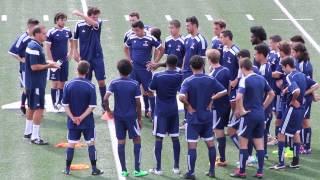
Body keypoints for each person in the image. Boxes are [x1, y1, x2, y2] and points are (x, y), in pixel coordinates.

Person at [179, 55, 227, 179]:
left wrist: (188, 106)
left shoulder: (188, 81)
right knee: (210, 144)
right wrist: (211, 100)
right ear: (203, 66)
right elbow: (223, 91)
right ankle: (211, 170)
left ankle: (191, 173)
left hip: (193, 118)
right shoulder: (210, 79)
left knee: (192, 146)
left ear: (190, 67)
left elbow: (181, 96)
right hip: (207, 116)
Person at [230, 58, 274, 178]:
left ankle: (242, 171)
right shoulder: (261, 78)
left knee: (243, 144)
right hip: (260, 115)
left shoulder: (245, 80)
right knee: (259, 145)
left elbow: (238, 97)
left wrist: (241, 110)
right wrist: (263, 107)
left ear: (242, 68)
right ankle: (260, 172)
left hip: (248, 116)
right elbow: (272, 94)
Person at [104, 59, 148, 177]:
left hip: (118, 117)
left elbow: (105, 98)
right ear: (130, 70)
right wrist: (139, 119)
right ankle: (137, 170)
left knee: (121, 141)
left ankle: (123, 169)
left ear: (118, 70)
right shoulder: (134, 84)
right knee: (137, 139)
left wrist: (108, 111)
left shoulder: (114, 83)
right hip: (131, 117)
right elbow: (138, 104)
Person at [62, 61, 103, 176]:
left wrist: (73, 118)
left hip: (72, 122)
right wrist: (81, 117)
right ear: (87, 71)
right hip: (87, 122)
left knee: (71, 144)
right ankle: (94, 169)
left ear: (77, 70)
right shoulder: (91, 86)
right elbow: (92, 106)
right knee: (91, 143)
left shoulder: (68, 85)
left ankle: (67, 169)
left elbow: (65, 105)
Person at [270, 57, 312, 170]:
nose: (283, 70)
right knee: (296, 133)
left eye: (283, 68)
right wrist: (287, 90)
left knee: (281, 133)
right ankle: (295, 161)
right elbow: (313, 85)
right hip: (301, 109)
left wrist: (293, 100)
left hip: (292, 109)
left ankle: (281, 162)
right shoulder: (301, 75)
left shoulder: (289, 76)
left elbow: (296, 90)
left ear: (288, 66)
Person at [25, 25, 60, 144]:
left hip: (31, 82)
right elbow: (34, 67)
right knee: (39, 108)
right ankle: (35, 137)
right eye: (44, 34)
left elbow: (37, 62)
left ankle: (28, 131)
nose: (46, 35)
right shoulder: (35, 47)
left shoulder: (34, 45)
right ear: (37, 34)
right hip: (36, 83)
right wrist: (49, 66)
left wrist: (48, 62)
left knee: (31, 107)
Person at [148, 55, 183, 175]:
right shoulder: (179, 75)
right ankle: (176, 167)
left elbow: (151, 88)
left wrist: (158, 66)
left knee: (159, 138)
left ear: (166, 63)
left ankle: (158, 169)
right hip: (173, 110)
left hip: (161, 111)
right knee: (175, 137)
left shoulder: (158, 76)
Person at [124, 20, 164, 120]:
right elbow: (125, 47)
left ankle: (154, 113)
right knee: (132, 90)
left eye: (137, 30)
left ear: (142, 29)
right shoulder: (132, 37)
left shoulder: (150, 38)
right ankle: (135, 112)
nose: (135, 33)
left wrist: (155, 62)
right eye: (134, 31)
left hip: (145, 70)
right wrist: (129, 60)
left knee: (149, 91)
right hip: (134, 69)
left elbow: (161, 49)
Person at [72, 7, 107, 109]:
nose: (96, 18)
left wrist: (80, 14)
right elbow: (75, 39)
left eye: (97, 16)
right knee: (86, 82)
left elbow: (94, 23)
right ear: (90, 15)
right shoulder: (79, 25)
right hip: (85, 58)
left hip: (97, 57)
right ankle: (87, 105)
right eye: (94, 16)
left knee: (101, 81)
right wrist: (75, 51)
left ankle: (105, 105)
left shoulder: (98, 23)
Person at [180, 16, 208, 130]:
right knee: (185, 96)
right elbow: (185, 56)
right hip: (185, 72)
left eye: (188, 25)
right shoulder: (186, 38)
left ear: (194, 25)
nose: (186, 27)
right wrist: (182, 69)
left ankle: (198, 120)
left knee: (196, 97)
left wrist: (199, 74)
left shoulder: (201, 40)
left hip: (195, 73)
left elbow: (203, 60)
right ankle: (187, 119)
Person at [8, 18, 39, 114]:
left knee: (32, 87)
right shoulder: (23, 38)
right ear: (30, 26)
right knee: (28, 88)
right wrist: (21, 59)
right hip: (25, 69)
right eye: (35, 27)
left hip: (35, 67)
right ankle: (29, 107)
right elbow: (11, 51)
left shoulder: (36, 37)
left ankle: (24, 105)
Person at [207, 49, 231, 167]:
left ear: (209, 60)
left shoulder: (212, 75)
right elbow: (229, 87)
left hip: (217, 107)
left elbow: (213, 92)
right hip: (226, 104)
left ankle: (222, 159)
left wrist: (211, 100)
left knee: (219, 132)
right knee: (220, 129)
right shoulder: (226, 70)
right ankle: (221, 157)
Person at [46, 12, 73, 110]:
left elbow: (71, 41)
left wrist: (70, 53)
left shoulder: (67, 30)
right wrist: (51, 61)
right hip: (55, 61)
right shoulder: (51, 32)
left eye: (64, 19)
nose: (63, 21)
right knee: (55, 83)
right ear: (57, 20)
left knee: (62, 82)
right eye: (61, 20)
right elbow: (47, 48)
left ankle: (60, 102)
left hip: (64, 61)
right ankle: (54, 103)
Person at [291, 43, 314, 154]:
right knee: (301, 121)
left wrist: (306, 94)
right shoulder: (298, 62)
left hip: (305, 98)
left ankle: (307, 146)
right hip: (302, 96)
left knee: (304, 121)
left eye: (294, 51)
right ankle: (301, 145)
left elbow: (310, 83)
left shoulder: (305, 66)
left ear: (299, 52)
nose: (292, 53)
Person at [254, 43, 273, 159]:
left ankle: (263, 153)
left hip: (264, 104)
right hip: (264, 104)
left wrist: (263, 106)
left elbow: (265, 89)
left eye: (256, 53)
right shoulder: (263, 66)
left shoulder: (265, 68)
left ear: (261, 55)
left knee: (262, 129)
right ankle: (263, 153)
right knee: (262, 129)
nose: (254, 55)